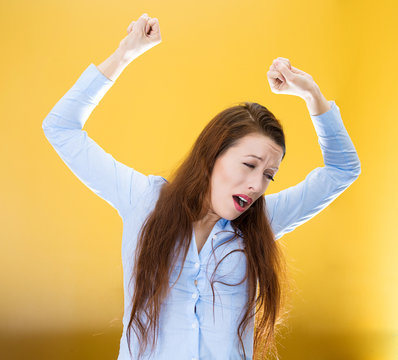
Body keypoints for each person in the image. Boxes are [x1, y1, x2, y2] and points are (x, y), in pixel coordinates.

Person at [42, 13, 361, 360]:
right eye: (249, 165)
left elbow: (343, 169)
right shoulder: (145, 200)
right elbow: (61, 127)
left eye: (269, 175)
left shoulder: (261, 221)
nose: (257, 185)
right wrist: (125, 54)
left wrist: (311, 94)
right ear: (212, 157)